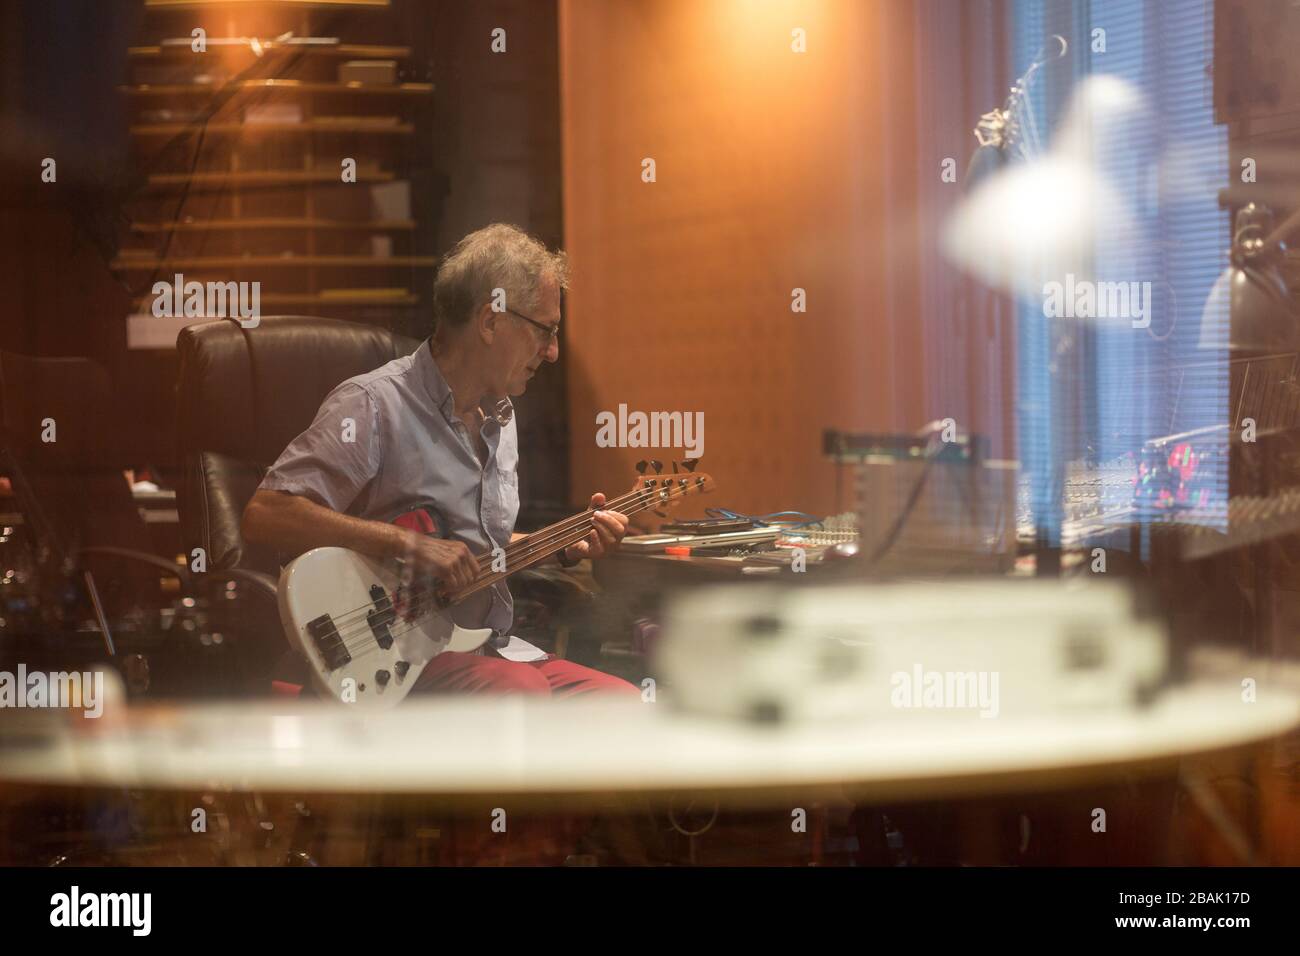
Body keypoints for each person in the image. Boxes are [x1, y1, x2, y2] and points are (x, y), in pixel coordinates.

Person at [241, 223, 637, 698]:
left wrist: (565, 545)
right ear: (491, 321)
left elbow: (467, 547)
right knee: (520, 693)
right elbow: (267, 513)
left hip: (488, 649)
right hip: (394, 660)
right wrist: (409, 546)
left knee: (620, 704)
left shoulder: (501, 415)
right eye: (545, 330)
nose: (552, 352)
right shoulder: (373, 404)